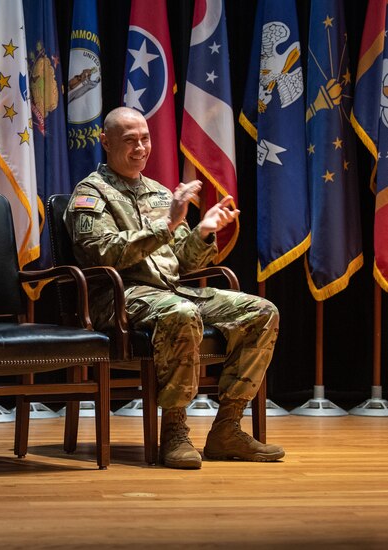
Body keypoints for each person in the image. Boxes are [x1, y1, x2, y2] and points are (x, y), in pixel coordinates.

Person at [64, 106, 284, 470]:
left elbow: (186, 263)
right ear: (105, 142)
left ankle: (227, 428)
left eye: (145, 138)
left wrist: (203, 232)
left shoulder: (160, 193)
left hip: (170, 291)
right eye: (129, 140)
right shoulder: (90, 194)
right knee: (182, 313)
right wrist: (167, 224)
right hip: (120, 297)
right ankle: (175, 431)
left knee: (261, 311)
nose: (140, 148)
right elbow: (101, 253)